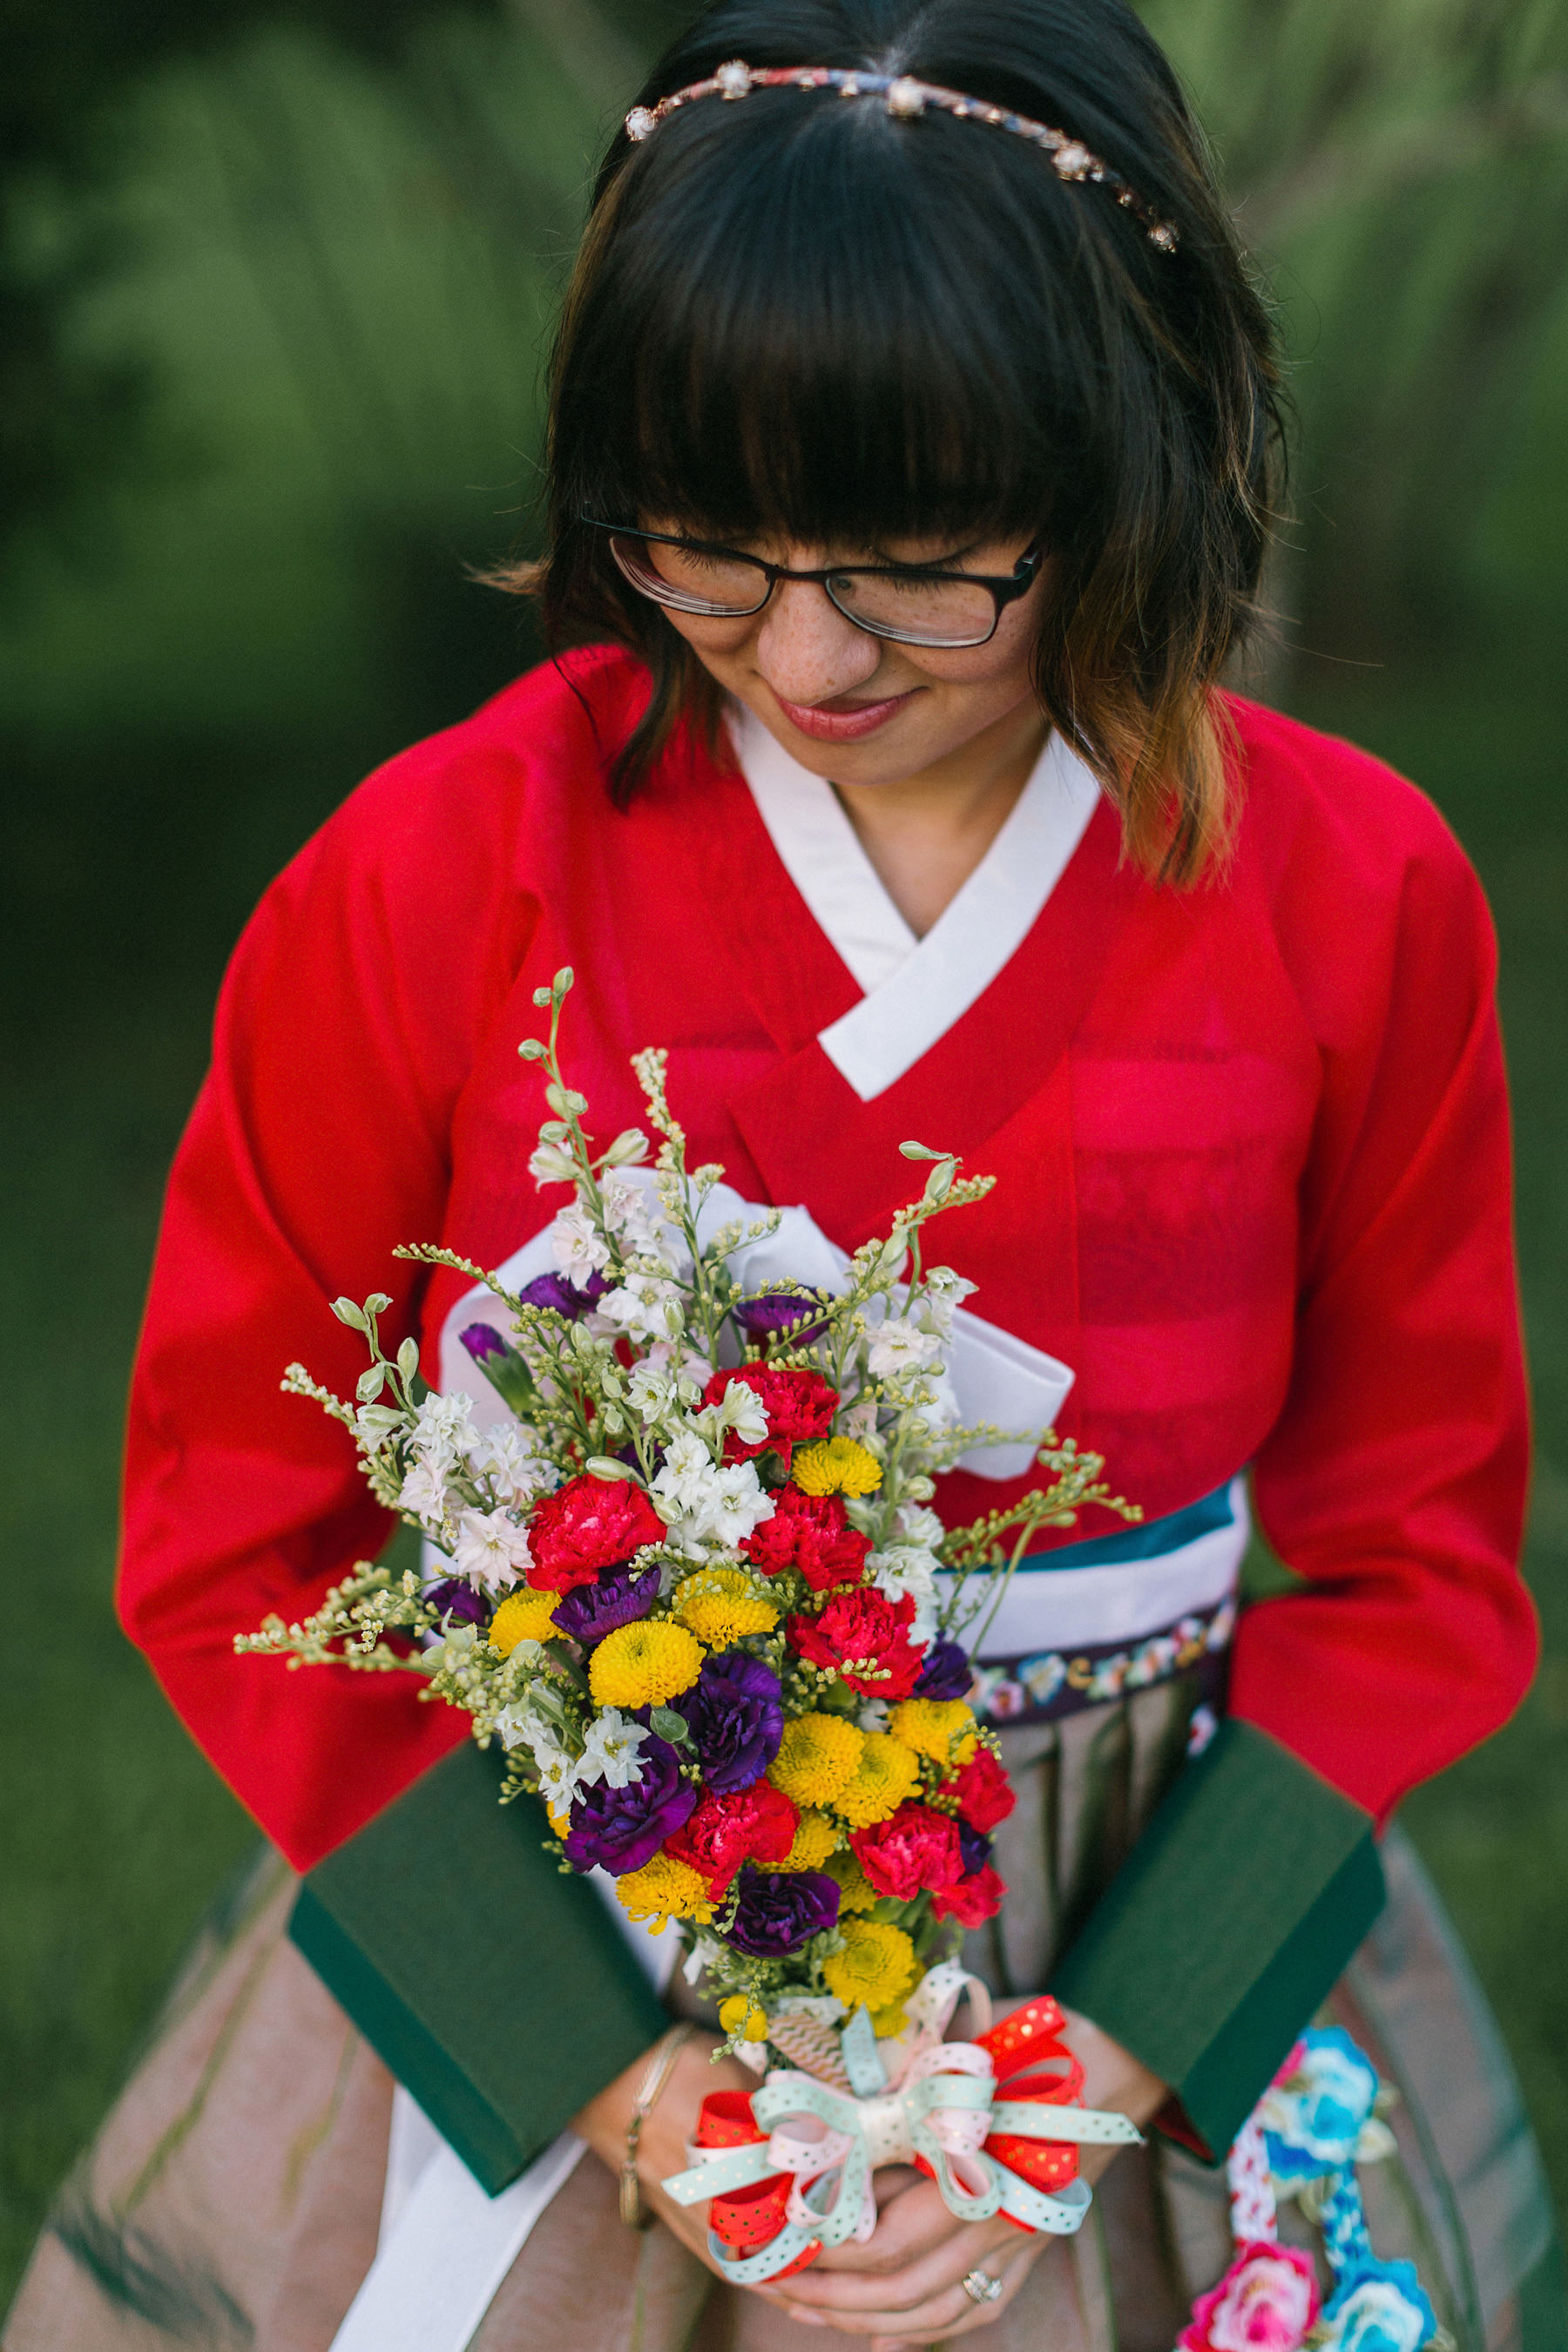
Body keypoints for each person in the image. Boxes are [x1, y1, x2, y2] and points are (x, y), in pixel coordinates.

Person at [6, 3, 1560, 2349]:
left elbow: (1411, 1552)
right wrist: (622, 2089)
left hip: (1139, 1916)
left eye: (925, 564)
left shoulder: (1354, 891)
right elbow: (242, 1532)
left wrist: (1096, 2065)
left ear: (1123, 453)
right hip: (584, 1938)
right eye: (707, 549)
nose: (808, 649)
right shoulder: (432, 880)